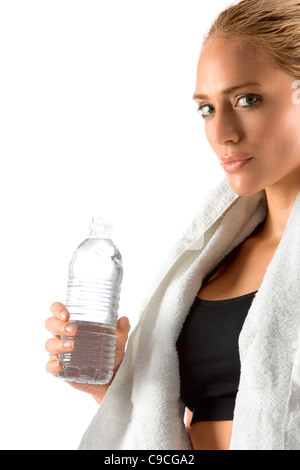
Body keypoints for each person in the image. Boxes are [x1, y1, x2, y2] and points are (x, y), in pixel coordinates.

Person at [45, 0, 300, 450]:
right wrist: (121, 387)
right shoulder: (212, 260)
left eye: (247, 99)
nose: (222, 131)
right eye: (206, 108)